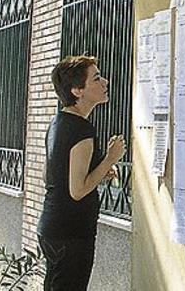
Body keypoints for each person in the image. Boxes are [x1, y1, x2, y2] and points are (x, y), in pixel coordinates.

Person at [37, 55, 126, 291]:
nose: (105, 82)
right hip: (71, 234)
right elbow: (77, 191)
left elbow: (49, 175)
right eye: (96, 78)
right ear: (77, 90)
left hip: (54, 229)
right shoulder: (81, 129)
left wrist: (97, 170)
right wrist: (110, 159)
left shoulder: (58, 123)